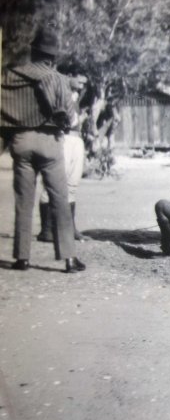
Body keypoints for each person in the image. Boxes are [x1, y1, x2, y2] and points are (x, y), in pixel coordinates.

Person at [0, 27, 86, 272]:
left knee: (23, 202)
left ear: (32, 51)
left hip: (21, 142)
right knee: (59, 199)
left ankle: (22, 258)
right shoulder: (57, 78)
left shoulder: (10, 75)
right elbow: (70, 119)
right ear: (53, 57)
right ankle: (69, 259)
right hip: (49, 143)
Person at [37, 83, 89, 242]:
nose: (82, 82)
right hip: (63, 137)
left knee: (72, 184)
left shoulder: (77, 97)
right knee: (54, 183)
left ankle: (70, 228)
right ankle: (46, 230)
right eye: (78, 78)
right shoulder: (58, 94)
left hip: (76, 138)